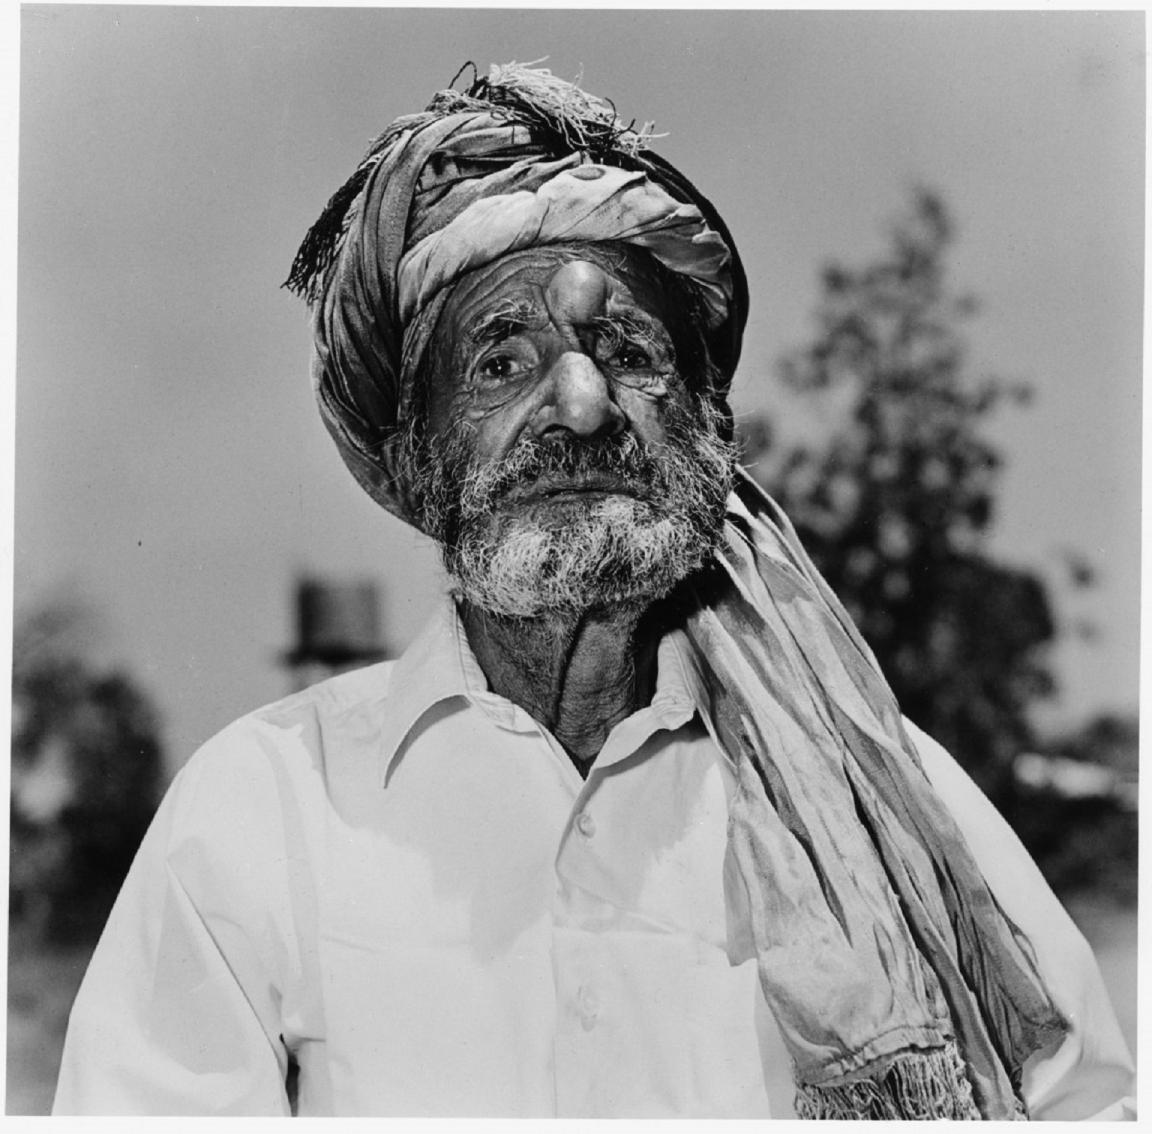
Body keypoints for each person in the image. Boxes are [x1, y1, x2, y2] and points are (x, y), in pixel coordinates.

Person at [53, 63, 1133, 1120]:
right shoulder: (266, 806)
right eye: (501, 364)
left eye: (627, 352)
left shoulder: (881, 792)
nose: (580, 405)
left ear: (710, 428)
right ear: (420, 450)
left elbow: (1084, 1104)